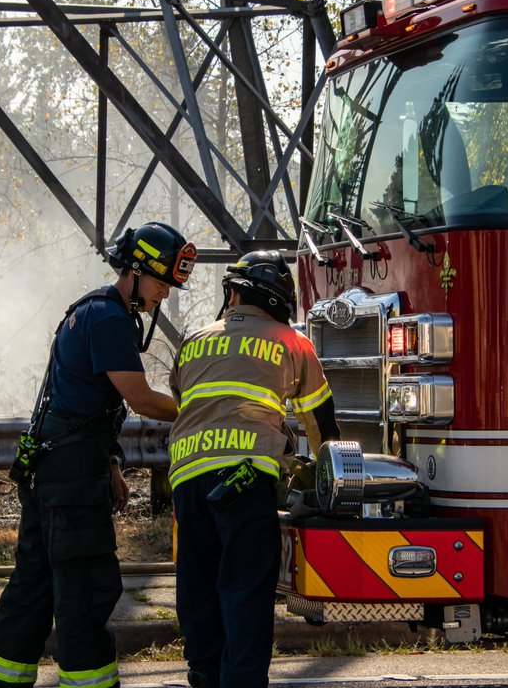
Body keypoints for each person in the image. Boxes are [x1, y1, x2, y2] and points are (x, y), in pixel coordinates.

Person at [0, 221, 198, 688]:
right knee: (85, 590)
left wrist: (112, 461)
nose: (165, 294)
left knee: (32, 589)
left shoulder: (90, 311)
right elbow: (141, 399)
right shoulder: (109, 318)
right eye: (162, 283)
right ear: (135, 272)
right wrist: (208, 411)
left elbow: (84, 399)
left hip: (55, 471)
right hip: (72, 480)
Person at [168, 251, 338, 688]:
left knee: (197, 582)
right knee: (244, 588)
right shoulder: (292, 342)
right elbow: (321, 425)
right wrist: (327, 485)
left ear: (234, 292)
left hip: (187, 481)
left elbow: (183, 397)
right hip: (245, 481)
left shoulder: (194, 339)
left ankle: (204, 673)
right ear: (282, 299)